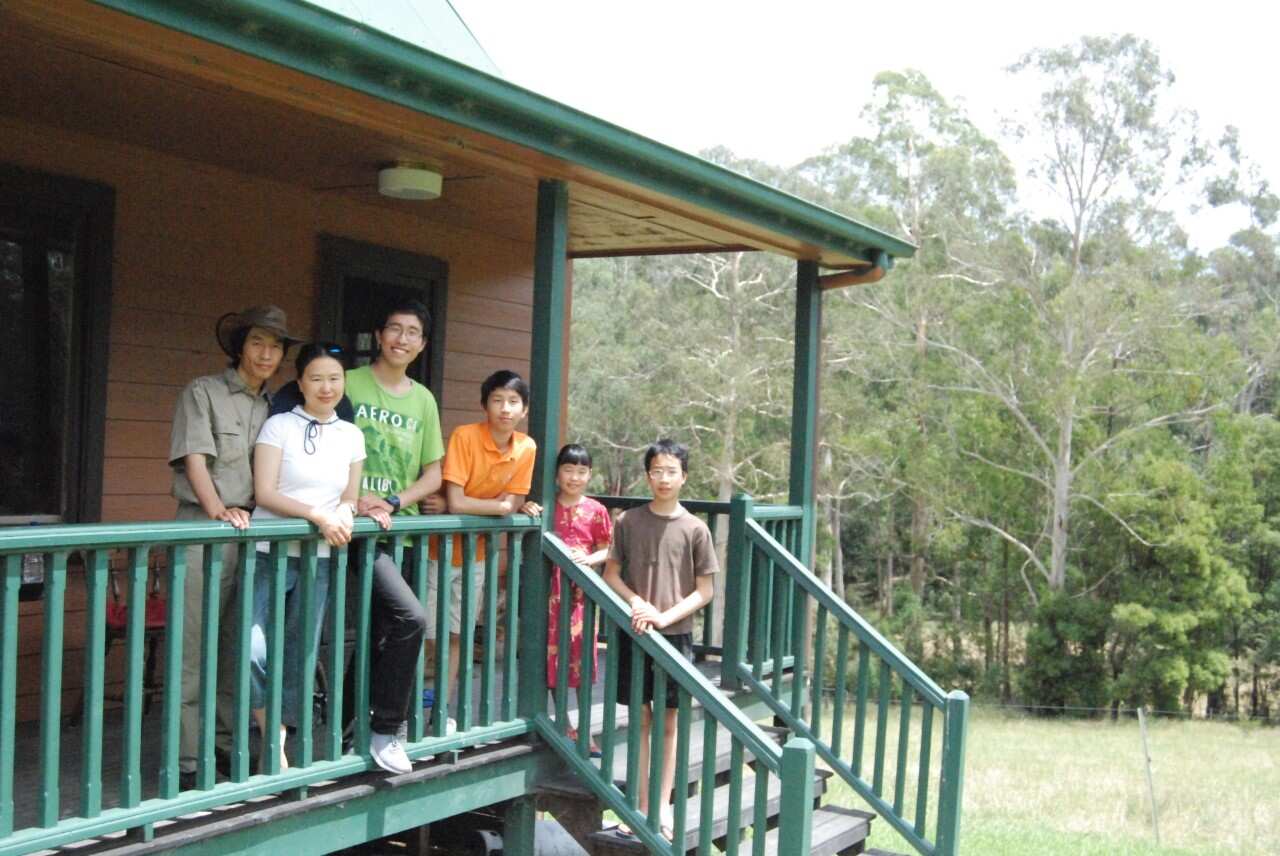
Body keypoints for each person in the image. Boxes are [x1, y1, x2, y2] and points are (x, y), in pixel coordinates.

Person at [168, 305, 293, 789]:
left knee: (235, 647)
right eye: (258, 342)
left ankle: (219, 746)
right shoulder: (204, 392)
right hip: (205, 529)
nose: (267, 353)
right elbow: (196, 459)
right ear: (240, 346)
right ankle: (185, 760)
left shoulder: (276, 407)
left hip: (256, 530)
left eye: (276, 346)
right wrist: (218, 510)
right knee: (192, 648)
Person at [249, 343, 368, 771]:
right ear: (300, 383)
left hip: (319, 558)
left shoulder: (352, 435)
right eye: (316, 378)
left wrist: (345, 514)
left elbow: (351, 497)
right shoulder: (278, 426)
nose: (326, 386)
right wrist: (317, 514)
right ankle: (271, 737)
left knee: (299, 653)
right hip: (268, 553)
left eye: (334, 378)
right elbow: (265, 492)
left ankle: (276, 746)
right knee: (253, 649)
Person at [603, 439, 717, 840]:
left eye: (671, 471)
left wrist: (663, 617)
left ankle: (662, 807)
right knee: (639, 720)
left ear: (684, 476)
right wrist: (638, 605)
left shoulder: (695, 529)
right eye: (656, 471)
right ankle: (635, 806)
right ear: (647, 475)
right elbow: (612, 574)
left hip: (676, 635)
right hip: (634, 631)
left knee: (669, 723)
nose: (663, 478)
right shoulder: (629, 522)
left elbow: (705, 591)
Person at [344, 300, 441, 774]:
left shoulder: (422, 399)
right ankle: (386, 729)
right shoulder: (347, 382)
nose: (402, 339)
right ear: (379, 334)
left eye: (412, 333)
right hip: (348, 531)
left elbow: (434, 473)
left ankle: (352, 730)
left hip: (396, 533)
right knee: (410, 620)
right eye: (394, 329)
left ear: (422, 345)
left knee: (382, 634)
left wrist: (395, 502)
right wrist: (351, 497)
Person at [431, 369, 540, 719]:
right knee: (427, 635)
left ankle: (439, 711)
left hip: (477, 553)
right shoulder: (466, 436)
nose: (505, 409)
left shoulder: (526, 447)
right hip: (438, 549)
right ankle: (407, 710)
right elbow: (460, 501)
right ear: (484, 405)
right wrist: (499, 507)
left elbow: (512, 502)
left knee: (457, 636)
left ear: (524, 410)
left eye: (513, 402)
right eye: (497, 400)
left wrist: (506, 506)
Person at [547, 443, 612, 748]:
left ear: (589, 475)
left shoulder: (596, 510)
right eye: (568, 470)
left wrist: (589, 560)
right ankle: (563, 721)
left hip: (580, 596)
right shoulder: (547, 505)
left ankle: (585, 727)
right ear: (558, 473)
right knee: (551, 656)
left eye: (581, 471)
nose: (574, 477)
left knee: (581, 657)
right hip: (548, 592)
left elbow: (608, 549)